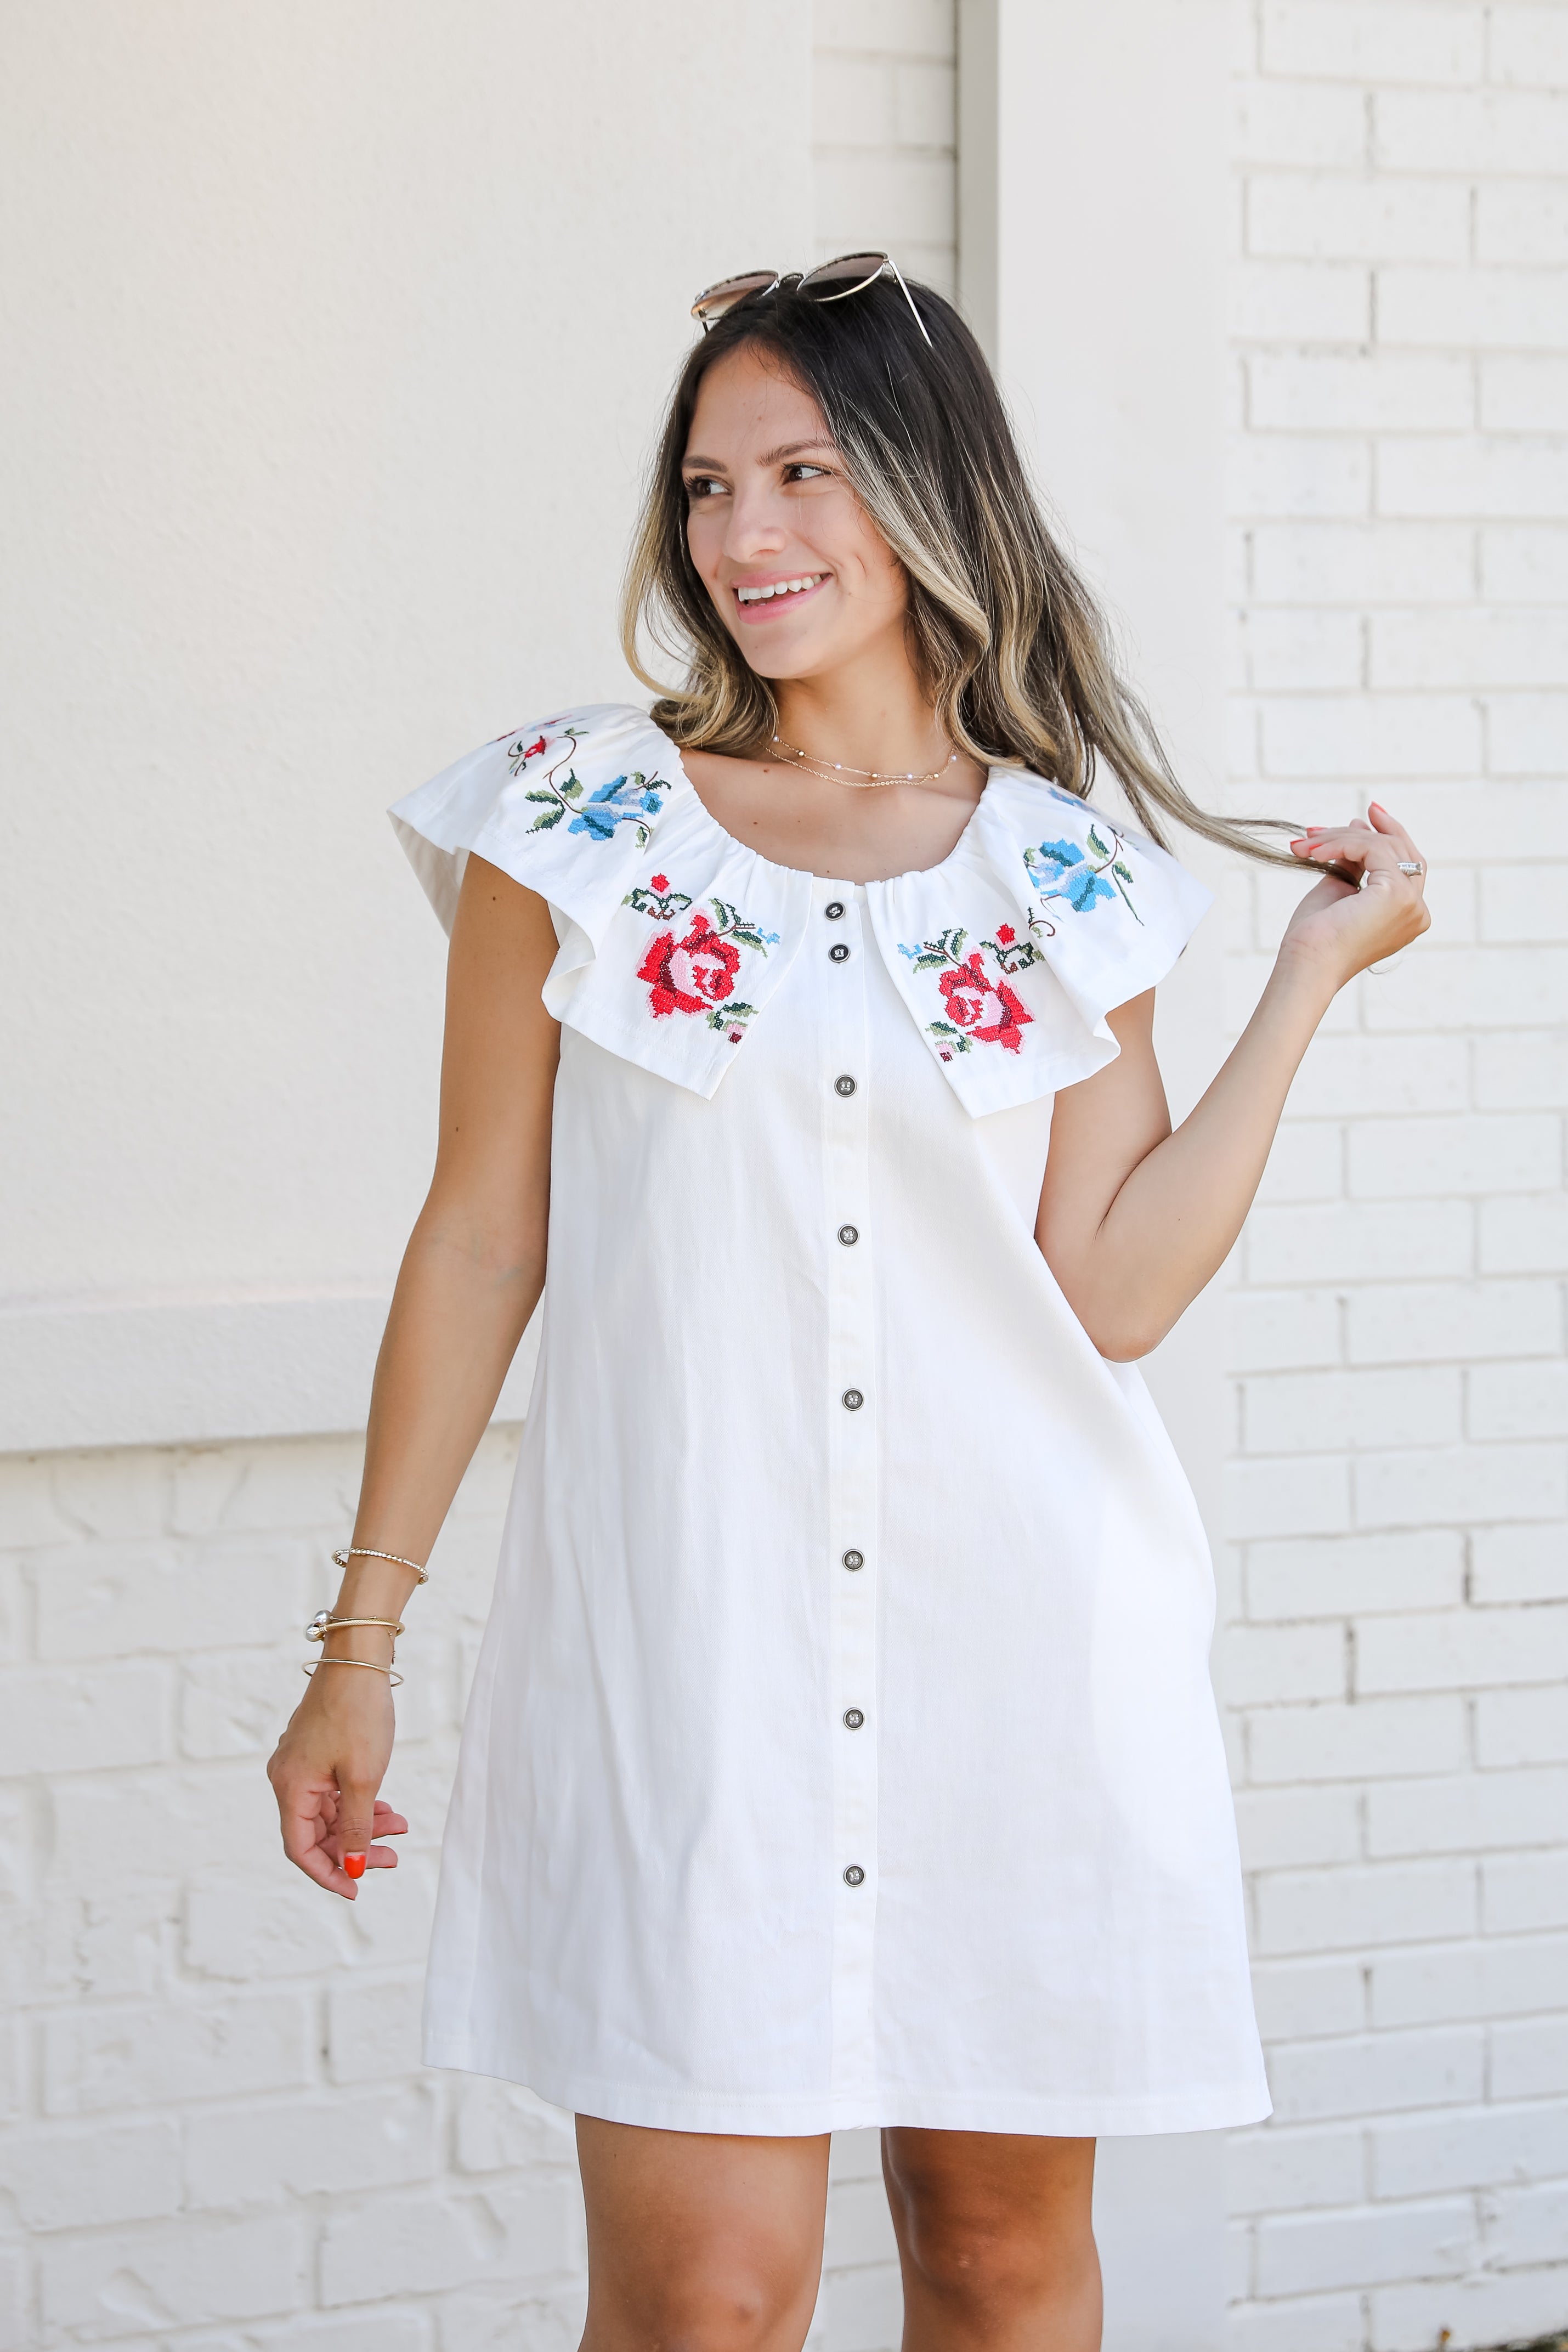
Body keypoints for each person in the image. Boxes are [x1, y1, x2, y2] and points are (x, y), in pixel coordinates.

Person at [268, 256, 1429, 2351]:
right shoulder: (574, 820)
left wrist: (1302, 989)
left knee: (996, 2271)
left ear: (926, 497)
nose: (744, 535)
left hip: (1028, 1659)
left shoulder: (1072, 874)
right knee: (709, 2302)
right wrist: (360, 1644)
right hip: (688, 1668)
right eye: (708, 485)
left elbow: (1115, 1289)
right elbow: (479, 1240)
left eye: (803, 472)